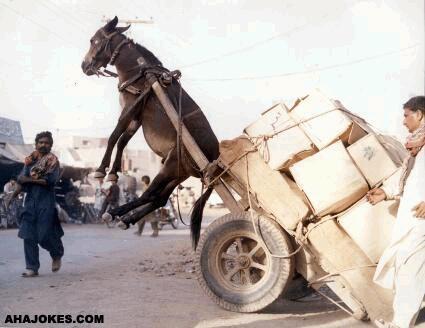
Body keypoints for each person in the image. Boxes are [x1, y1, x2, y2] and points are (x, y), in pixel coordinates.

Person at [367, 96, 425, 328]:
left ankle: (401, 324)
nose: (403, 122)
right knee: (406, 266)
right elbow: (409, 178)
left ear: (419, 114)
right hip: (411, 219)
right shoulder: (417, 147)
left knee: (409, 269)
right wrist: (385, 193)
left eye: (406, 115)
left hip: (421, 221)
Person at [16, 131, 64, 277]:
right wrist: (13, 194)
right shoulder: (30, 160)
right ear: (36, 144)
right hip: (30, 201)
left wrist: (28, 180)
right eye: (41, 142)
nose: (43, 145)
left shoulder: (53, 161)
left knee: (44, 235)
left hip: (46, 201)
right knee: (28, 235)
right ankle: (32, 267)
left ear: (51, 145)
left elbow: (48, 181)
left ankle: (56, 254)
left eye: (46, 143)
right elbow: (21, 179)